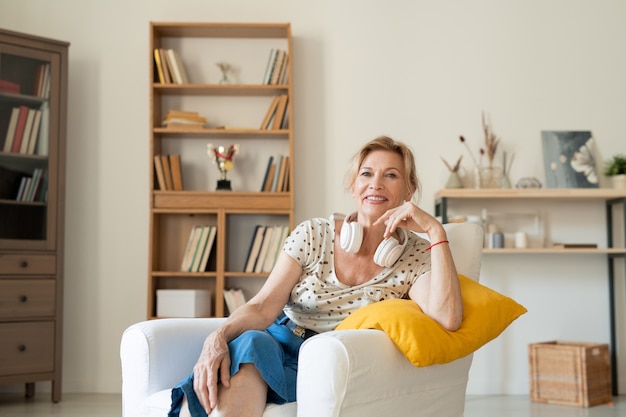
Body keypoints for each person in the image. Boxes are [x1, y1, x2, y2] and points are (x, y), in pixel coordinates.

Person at [168, 135, 463, 417]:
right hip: (277, 341)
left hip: (330, 362)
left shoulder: (416, 254)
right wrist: (216, 338)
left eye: (391, 175)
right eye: (367, 174)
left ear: (409, 191)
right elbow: (262, 307)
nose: (376, 184)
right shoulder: (314, 234)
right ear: (353, 186)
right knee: (250, 346)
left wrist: (437, 231)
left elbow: (447, 317)